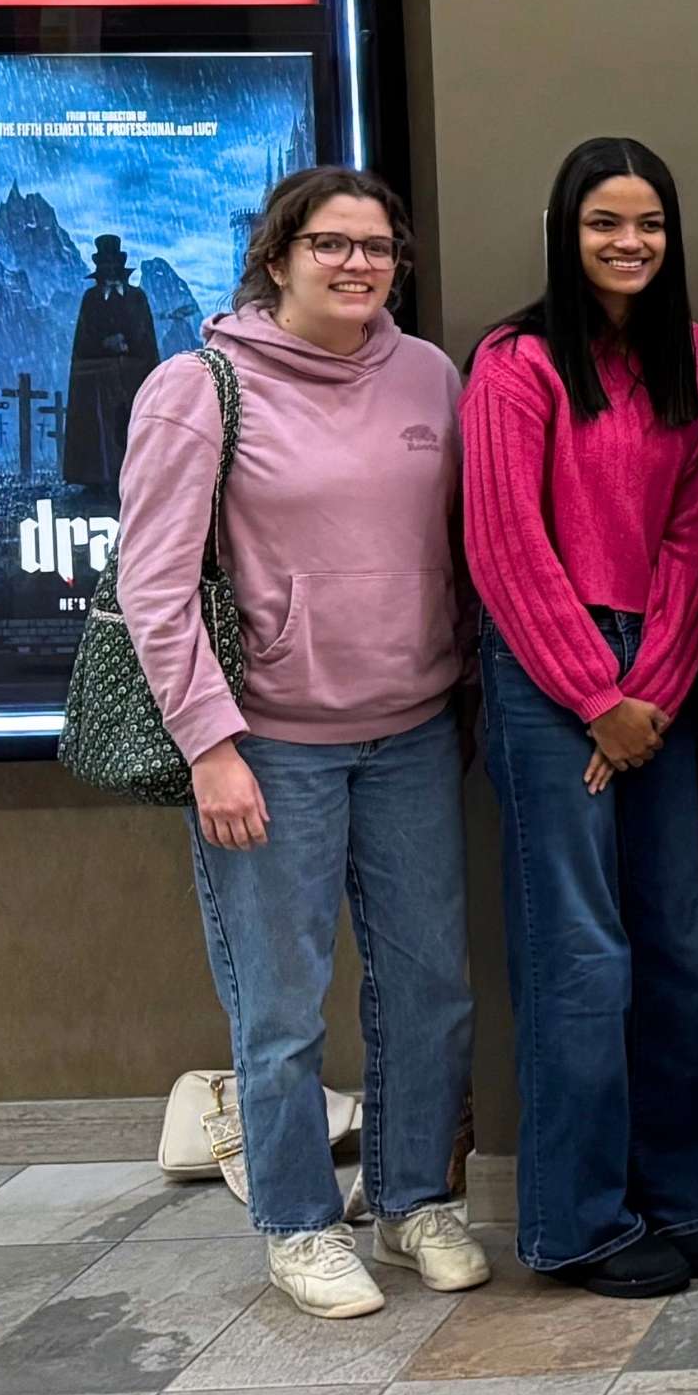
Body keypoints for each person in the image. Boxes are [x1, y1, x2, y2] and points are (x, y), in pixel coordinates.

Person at [116, 168, 485, 1320]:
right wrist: (210, 744)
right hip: (269, 745)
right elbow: (154, 583)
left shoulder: (429, 374)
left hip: (414, 728)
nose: (358, 264)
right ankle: (295, 1220)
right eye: (331, 243)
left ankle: (415, 1195)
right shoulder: (200, 385)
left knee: (430, 989)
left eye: (379, 247)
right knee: (279, 1004)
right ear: (278, 255)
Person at [463, 137, 698, 1297]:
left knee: (675, 940)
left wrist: (654, 692)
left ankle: (687, 1192)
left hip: (658, 677)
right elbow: (503, 541)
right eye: (603, 223)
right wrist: (593, 693)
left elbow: (692, 537)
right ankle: (577, 1222)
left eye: (649, 224)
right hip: (546, 673)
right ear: (563, 230)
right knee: (580, 953)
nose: (629, 244)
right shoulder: (515, 361)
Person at [63, 233, 161, 499]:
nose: (110, 274)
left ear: (121, 269)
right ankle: (97, 479)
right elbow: (83, 342)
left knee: (130, 425)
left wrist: (127, 345)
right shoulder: (91, 300)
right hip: (97, 383)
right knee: (100, 431)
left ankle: (135, 476)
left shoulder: (136, 298)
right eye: (105, 269)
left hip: (132, 379)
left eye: (113, 268)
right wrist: (105, 344)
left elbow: (146, 339)